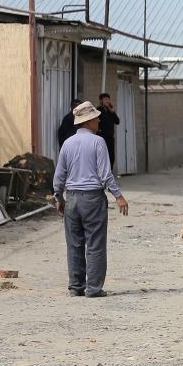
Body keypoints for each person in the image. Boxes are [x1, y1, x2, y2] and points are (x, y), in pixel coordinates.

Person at [53, 101, 129, 298]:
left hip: (72, 199)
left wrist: (58, 197)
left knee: (74, 244)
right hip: (93, 199)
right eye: (96, 118)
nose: (99, 121)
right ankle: (94, 289)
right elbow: (105, 174)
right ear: (87, 121)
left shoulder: (68, 143)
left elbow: (59, 175)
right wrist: (118, 196)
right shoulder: (98, 142)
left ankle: (76, 286)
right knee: (95, 244)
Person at [97, 92, 120, 169]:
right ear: (101, 101)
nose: (107, 101)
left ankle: (110, 172)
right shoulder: (98, 110)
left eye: (108, 99)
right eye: (105, 99)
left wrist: (112, 112)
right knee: (103, 156)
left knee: (111, 156)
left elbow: (117, 121)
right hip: (102, 137)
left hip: (110, 137)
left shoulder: (110, 111)